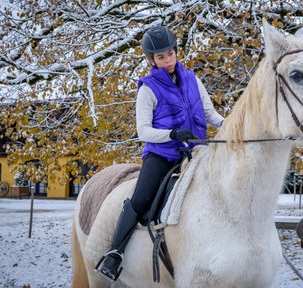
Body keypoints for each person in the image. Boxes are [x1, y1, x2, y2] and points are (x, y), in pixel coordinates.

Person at [95, 25, 225, 281]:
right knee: (141, 199)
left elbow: (210, 114)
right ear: (151, 60)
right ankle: (115, 254)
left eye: (170, 54)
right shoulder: (148, 89)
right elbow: (143, 131)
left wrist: (231, 125)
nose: (167, 61)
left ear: (176, 52)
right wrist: (172, 135)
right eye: (160, 57)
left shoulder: (192, 79)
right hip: (163, 155)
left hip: (197, 151)